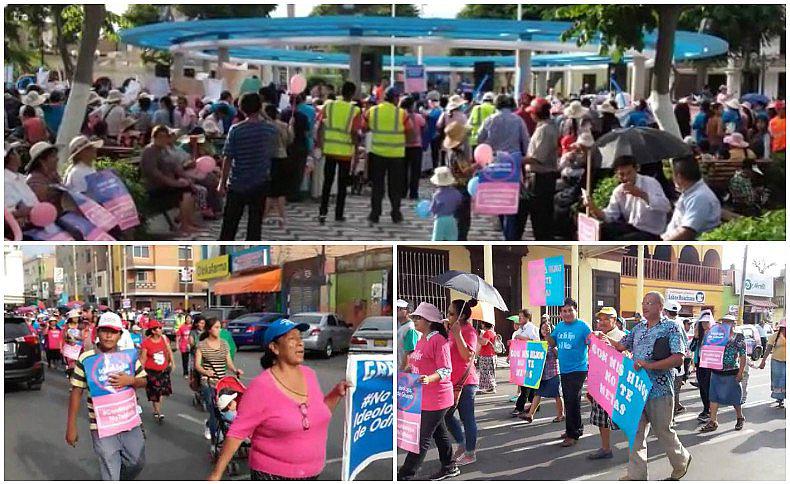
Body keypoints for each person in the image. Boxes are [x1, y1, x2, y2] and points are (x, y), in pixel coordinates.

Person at [207, 319, 350, 480]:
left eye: (300, 338)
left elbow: (318, 415)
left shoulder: (310, 375)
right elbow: (237, 433)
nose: (300, 344)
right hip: (273, 475)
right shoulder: (261, 387)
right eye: (292, 339)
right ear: (274, 348)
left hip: (312, 473)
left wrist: (336, 394)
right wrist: (216, 475)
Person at [599, 291, 692, 481]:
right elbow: (620, 346)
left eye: (650, 302)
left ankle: (681, 460)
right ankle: (637, 475)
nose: (645, 306)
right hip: (636, 389)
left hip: (660, 390)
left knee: (663, 431)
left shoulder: (671, 327)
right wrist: (601, 338)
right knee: (636, 433)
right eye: (644, 302)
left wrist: (650, 365)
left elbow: (678, 358)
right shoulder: (639, 328)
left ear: (660, 306)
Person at [66, 312, 147, 481]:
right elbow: (76, 391)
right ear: (97, 332)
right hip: (102, 426)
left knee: (137, 461)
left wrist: (130, 380)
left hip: (128, 421)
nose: (108, 335)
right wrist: (71, 426)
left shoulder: (129, 357)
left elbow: (143, 381)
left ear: (120, 335)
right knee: (110, 471)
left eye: (113, 331)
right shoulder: (86, 358)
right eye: (104, 330)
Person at [397, 302, 458, 481]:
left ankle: (404, 476)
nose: (414, 320)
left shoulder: (439, 340)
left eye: (418, 317)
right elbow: (416, 363)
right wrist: (406, 371)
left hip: (437, 398)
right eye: (414, 317)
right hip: (423, 396)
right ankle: (449, 466)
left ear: (430, 321)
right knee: (440, 433)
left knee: (421, 439)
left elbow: (446, 369)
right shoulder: (422, 338)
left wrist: (430, 378)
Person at [218, 92, 277, 241]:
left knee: (229, 226)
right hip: (260, 182)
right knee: (255, 226)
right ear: (260, 108)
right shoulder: (269, 130)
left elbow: (228, 157)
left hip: (237, 182)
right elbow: (273, 150)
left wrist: (222, 182)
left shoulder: (236, 130)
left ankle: (223, 256)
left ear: (241, 108)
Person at [583, 155, 671, 240]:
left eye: (629, 173)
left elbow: (666, 207)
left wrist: (642, 195)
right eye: (621, 174)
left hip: (651, 232)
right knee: (602, 231)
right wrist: (593, 208)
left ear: (636, 169)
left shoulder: (650, 183)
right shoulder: (619, 191)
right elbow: (610, 216)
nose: (626, 177)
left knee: (620, 242)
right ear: (616, 175)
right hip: (632, 227)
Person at [545, 298, 591, 447]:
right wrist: (547, 334)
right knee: (570, 400)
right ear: (560, 313)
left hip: (578, 369)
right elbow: (552, 343)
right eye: (564, 311)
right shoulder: (560, 326)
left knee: (572, 400)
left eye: (570, 310)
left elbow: (593, 345)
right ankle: (574, 429)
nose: (567, 313)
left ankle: (573, 434)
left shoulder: (583, 326)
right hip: (564, 369)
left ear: (576, 311)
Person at [140, 125, 199, 233]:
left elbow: (176, 167)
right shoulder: (150, 151)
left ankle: (188, 222)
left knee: (189, 188)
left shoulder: (165, 150)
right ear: (154, 137)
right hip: (155, 186)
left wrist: (187, 179)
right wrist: (174, 183)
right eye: (160, 137)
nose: (163, 139)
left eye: (165, 137)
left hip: (167, 185)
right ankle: (184, 225)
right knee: (185, 192)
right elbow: (154, 173)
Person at [364, 86, 409, 226]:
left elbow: (364, 127)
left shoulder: (372, 111)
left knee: (377, 186)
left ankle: (374, 214)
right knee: (395, 186)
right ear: (395, 98)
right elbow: (411, 130)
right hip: (396, 155)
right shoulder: (402, 113)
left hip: (377, 153)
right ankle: (396, 213)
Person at [317, 81, 361, 224]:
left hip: (329, 151)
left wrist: (320, 145)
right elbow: (354, 132)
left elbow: (320, 126)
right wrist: (356, 147)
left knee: (327, 183)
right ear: (353, 93)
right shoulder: (354, 111)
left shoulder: (328, 106)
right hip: (345, 153)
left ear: (340, 91)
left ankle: (322, 212)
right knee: (342, 185)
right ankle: (338, 214)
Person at [195, 318, 243, 445]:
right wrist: (205, 372)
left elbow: (229, 362)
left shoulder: (224, 344)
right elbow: (197, 365)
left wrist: (235, 370)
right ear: (209, 329)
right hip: (208, 382)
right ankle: (214, 441)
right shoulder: (202, 345)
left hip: (222, 382)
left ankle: (218, 430)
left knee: (225, 410)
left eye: (220, 327)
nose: (219, 330)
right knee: (214, 411)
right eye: (216, 327)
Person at [445, 298, 480, 466]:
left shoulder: (470, 331)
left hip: (466, 382)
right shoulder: (451, 329)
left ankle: (470, 452)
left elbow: (467, 356)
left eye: (451, 313)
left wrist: (458, 334)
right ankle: (461, 443)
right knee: (446, 415)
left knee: (467, 418)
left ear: (462, 315)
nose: (448, 316)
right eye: (448, 312)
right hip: (450, 381)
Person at [586, 307, 624, 460]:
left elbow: (625, 359)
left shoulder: (621, 337)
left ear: (614, 320)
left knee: (625, 419)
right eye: (599, 319)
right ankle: (606, 448)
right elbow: (593, 361)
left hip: (615, 385)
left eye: (605, 319)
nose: (601, 322)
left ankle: (636, 449)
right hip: (599, 384)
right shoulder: (596, 337)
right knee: (601, 419)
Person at [699, 319, 747, 433]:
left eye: (728, 322)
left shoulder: (738, 337)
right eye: (723, 322)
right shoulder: (715, 336)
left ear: (733, 324)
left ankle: (740, 417)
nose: (725, 324)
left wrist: (740, 372)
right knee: (713, 397)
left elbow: (743, 356)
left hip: (731, 372)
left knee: (735, 397)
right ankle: (713, 421)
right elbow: (706, 349)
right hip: (716, 372)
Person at [523, 97, 559, 241]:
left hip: (541, 178)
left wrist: (516, 159)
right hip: (541, 177)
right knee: (540, 218)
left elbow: (538, 157)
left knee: (540, 219)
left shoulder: (544, 130)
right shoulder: (545, 126)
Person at [662, 157, 721, 240]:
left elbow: (686, 232)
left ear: (679, 176)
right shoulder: (689, 191)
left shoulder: (699, 197)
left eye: (672, 173)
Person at [521, 318, 564, 424]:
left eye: (547, 328)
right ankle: (530, 414)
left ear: (551, 329)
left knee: (557, 395)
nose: (545, 330)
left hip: (553, 372)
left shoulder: (554, 342)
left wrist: (551, 346)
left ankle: (561, 415)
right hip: (542, 373)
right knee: (538, 394)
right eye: (543, 328)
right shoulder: (539, 343)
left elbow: (558, 355)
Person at [443, 121, 475, 241]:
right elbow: (466, 171)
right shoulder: (458, 154)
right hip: (461, 188)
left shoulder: (450, 152)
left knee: (456, 217)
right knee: (463, 219)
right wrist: (477, 165)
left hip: (453, 188)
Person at [139, 320, 175, 422]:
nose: (160, 330)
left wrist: (172, 363)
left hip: (163, 370)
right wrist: (140, 372)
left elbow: (169, 351)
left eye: (160, 328)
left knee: (161, 392)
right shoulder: (146, 342)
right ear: (153, 331)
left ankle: (157, 410)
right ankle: (158, 412)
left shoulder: (164, 339)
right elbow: (143, 358)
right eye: (157, 328)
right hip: (151, 372)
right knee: (155, 392)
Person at [508, 310, 540, 417]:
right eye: (519, 317)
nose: (519, 319)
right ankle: (534, 403)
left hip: (530, 359)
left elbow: (536, 341)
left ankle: (519, 407)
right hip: (522, 359)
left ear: (527, 317)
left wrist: (521, 338)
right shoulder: (521, 329)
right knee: (529, 385)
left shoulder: (531, 328)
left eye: (521, 317)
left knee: (525, 385)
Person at [4, 141, 39, 227]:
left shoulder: (21, 177)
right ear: (10, 156)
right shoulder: (5, 182)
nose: (19, 155)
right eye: (16, 152)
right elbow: (9, 213)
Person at [689, 310, 715, 422]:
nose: (705, 324)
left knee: (708, 387)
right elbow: (691, 348)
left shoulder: (715, 334)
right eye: (703, 322)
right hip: (700, 363)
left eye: (707, 322)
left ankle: (710, 410)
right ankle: (706, 408)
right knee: (702, 387)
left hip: (710, 364)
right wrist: (695, 337)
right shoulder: (699, 334)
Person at [26, 141, 64, 212]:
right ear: (41, 161)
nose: (57, 159)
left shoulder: (53, 174)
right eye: (53, 156)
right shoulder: (34, 181)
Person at [428, 166, 462, 241]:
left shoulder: (437, 195)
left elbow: (433, 209)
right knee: (452, 238)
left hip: (440, 219)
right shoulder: (456, 193)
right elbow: (459, 202)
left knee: (437, 239)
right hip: (451, 218)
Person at [401, 95, 425, 200]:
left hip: (403, 146)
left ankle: (402, 192)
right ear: (412, 105)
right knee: (415, 172)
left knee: (403, 171)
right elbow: (424, 127)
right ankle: (413, 193)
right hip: (416, 147)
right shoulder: (418, 117)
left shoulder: (401, 116)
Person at [759, 319, 785, 408]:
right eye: (783, 328)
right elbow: (768, 349)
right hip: (777, 361)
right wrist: (763, 361)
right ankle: (780, 398)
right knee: (778, 380)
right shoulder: (774, 336)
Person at [396, 299, 419, 371]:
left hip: (405, 372)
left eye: (399, 308)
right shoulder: (401, 326)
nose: (397, 310)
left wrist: (402, 371)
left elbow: (409, 353)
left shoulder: (410, 328)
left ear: (408, 311)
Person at [477, 321, 497, 394]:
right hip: (491, 355)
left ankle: (490, 387)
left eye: (482, 323)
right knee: (490, 371)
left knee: (486, 372)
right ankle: (490, 387)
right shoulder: (492, 332)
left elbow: (484, 342)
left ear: (484, 324)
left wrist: (477, 337)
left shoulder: (487, 333)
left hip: (486, 355)